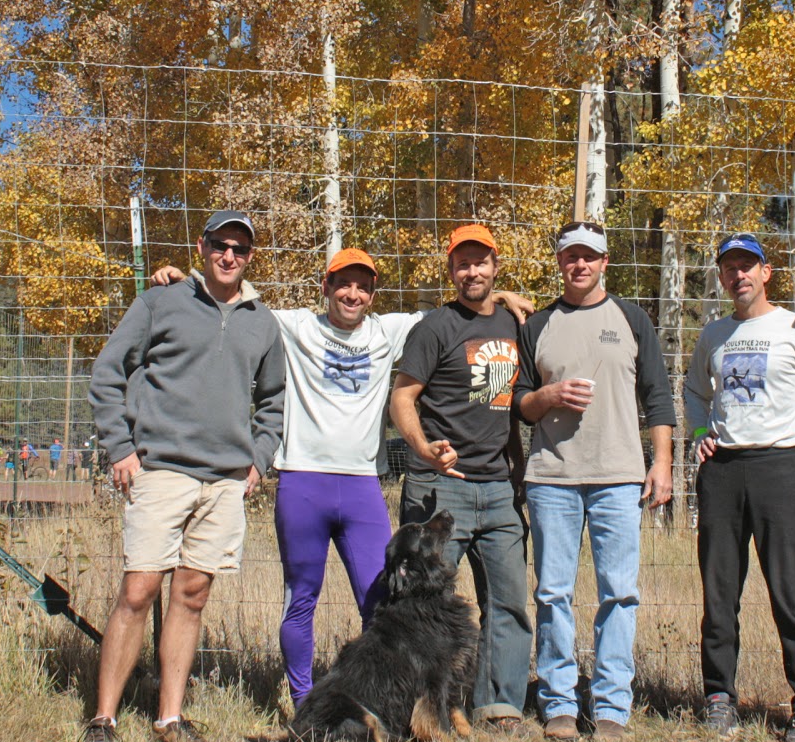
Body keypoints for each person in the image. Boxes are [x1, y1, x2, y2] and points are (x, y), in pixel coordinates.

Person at [150, 246, 532, 711]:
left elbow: (466, 310)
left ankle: (383, 702)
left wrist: (505, 294)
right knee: (300, 600)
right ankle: (304, 702)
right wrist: (185, 282)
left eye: (363, 286)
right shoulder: (294, 326)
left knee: (381, 603)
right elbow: (235, 297)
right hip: (302, 482)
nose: (353, 294)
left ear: (372, 294)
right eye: (343, 284)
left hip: (360, 486)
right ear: (326, 288)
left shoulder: (388, 331)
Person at [80, 210, 287, 742]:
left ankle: (169, 717)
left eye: (240, 250)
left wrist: (258, 460)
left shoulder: (262, 321)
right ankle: (103, 719)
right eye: (220, 245)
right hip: (162, 469)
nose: (229, 257)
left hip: (224, 482)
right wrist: (120, 449)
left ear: (249, 258)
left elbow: (273, 400)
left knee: (193, 594)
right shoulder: (160, 302)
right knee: (139, 589)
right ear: (202, 246)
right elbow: (108, 373)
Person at [514, 220, 676, 742]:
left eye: (589, 257)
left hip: (618, 477)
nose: (579, 265)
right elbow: (519, 403)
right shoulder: (537, 325)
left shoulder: (631, 319)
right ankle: (558, 702)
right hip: (552, 480)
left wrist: (663, 462)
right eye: (570, 256)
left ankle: (611, 708)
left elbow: (659, 396)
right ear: (559, 262)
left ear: (605, 262)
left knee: (619, 595)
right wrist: (551, 395)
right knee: (552, 593)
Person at [684, 233, 795, 742]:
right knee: (719, 594)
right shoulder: (714, 334)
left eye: (748, 266)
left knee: (791, 595)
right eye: (729, 268)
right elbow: (693, 391)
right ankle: (719, 698)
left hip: (780, 467)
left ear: (766, 272)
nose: (739, 275)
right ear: (722, 277)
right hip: (723, 472)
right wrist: (701, 434)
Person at [389, 224, 533, 735]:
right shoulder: (434, 327)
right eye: (462, 263)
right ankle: (417, 710)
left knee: (509, 601)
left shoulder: (517, 324)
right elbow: (403, 398)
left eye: (481, 262)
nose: (472, 271)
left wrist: (510, 298)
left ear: (495, 265)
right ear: (450, 270)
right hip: (441, 486)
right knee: (421, 607)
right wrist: (422, 449)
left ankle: (498, 708)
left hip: (498, 488)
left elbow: (517, 403)